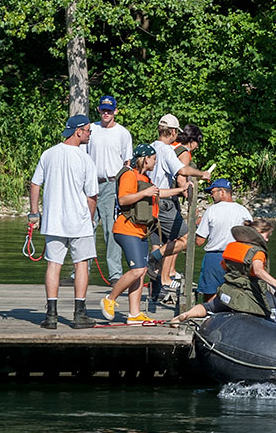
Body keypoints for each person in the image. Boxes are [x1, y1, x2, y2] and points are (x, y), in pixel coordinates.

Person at [100, 144, 187, 324]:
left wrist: (179, 191)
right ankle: (110, 299)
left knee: (142, 272)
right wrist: (144, 192)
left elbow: (158, 193)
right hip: (126, 230)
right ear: (145, 158)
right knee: (137, 269)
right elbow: (123, 199)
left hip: (140, 231)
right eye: (154, 158)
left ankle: (134, 314)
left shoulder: (145, 178)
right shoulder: (129, 175)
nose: (155, 162)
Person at [29, 114, 99, 329]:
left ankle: (51, 315)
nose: (89, 134)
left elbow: (34, 184)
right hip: (78, 221)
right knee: (81, 265)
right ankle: (79, 315)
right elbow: (92, 196)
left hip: (54, 221)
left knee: (53, 265)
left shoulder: (48, 154)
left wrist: (34, 213)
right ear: (78, 131)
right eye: (88, 130)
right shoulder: (85, 159)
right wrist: (89, 218)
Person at [145, 114, 212, 293]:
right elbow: (181, 171)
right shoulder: (167, 150)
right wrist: (201, 174)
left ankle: (156, 289)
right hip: (164, 201)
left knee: (158, 242)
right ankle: (153, 259)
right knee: (186, 239)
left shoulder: (150, 147)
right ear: (173, 132)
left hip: (147, 202)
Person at [173, 221, 276, 322]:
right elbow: (258, 271)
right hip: (246, 295)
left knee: (209, 306)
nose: (267, 239)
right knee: (269, 310)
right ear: (258, 234)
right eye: (267, 235)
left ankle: (186, 314)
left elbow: (223, 266)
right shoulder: (258, 252)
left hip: (228, 289)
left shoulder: (234, 247)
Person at [83, 95, 132, 282]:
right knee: (86, 227)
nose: (106, 113)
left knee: (111, 230)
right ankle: (81, 270)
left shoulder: (123, 133)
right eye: (103, 110)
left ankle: (115, 274)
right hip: (91, 184)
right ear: (98, 110)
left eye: (109, 110)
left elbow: (127, 162)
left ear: (115, 111)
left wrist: (124, 187)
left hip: (112, 183)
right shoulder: (92, 130)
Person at [193, 179, 253, 301]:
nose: (211, 195)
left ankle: (210, 317)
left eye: (212, 192)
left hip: (215, 257)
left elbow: (199, 241)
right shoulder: (244, 211)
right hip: (238, 257)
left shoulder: (212, 210)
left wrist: (195, 223)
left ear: (222, 192)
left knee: (211, 294)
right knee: (236, 293)